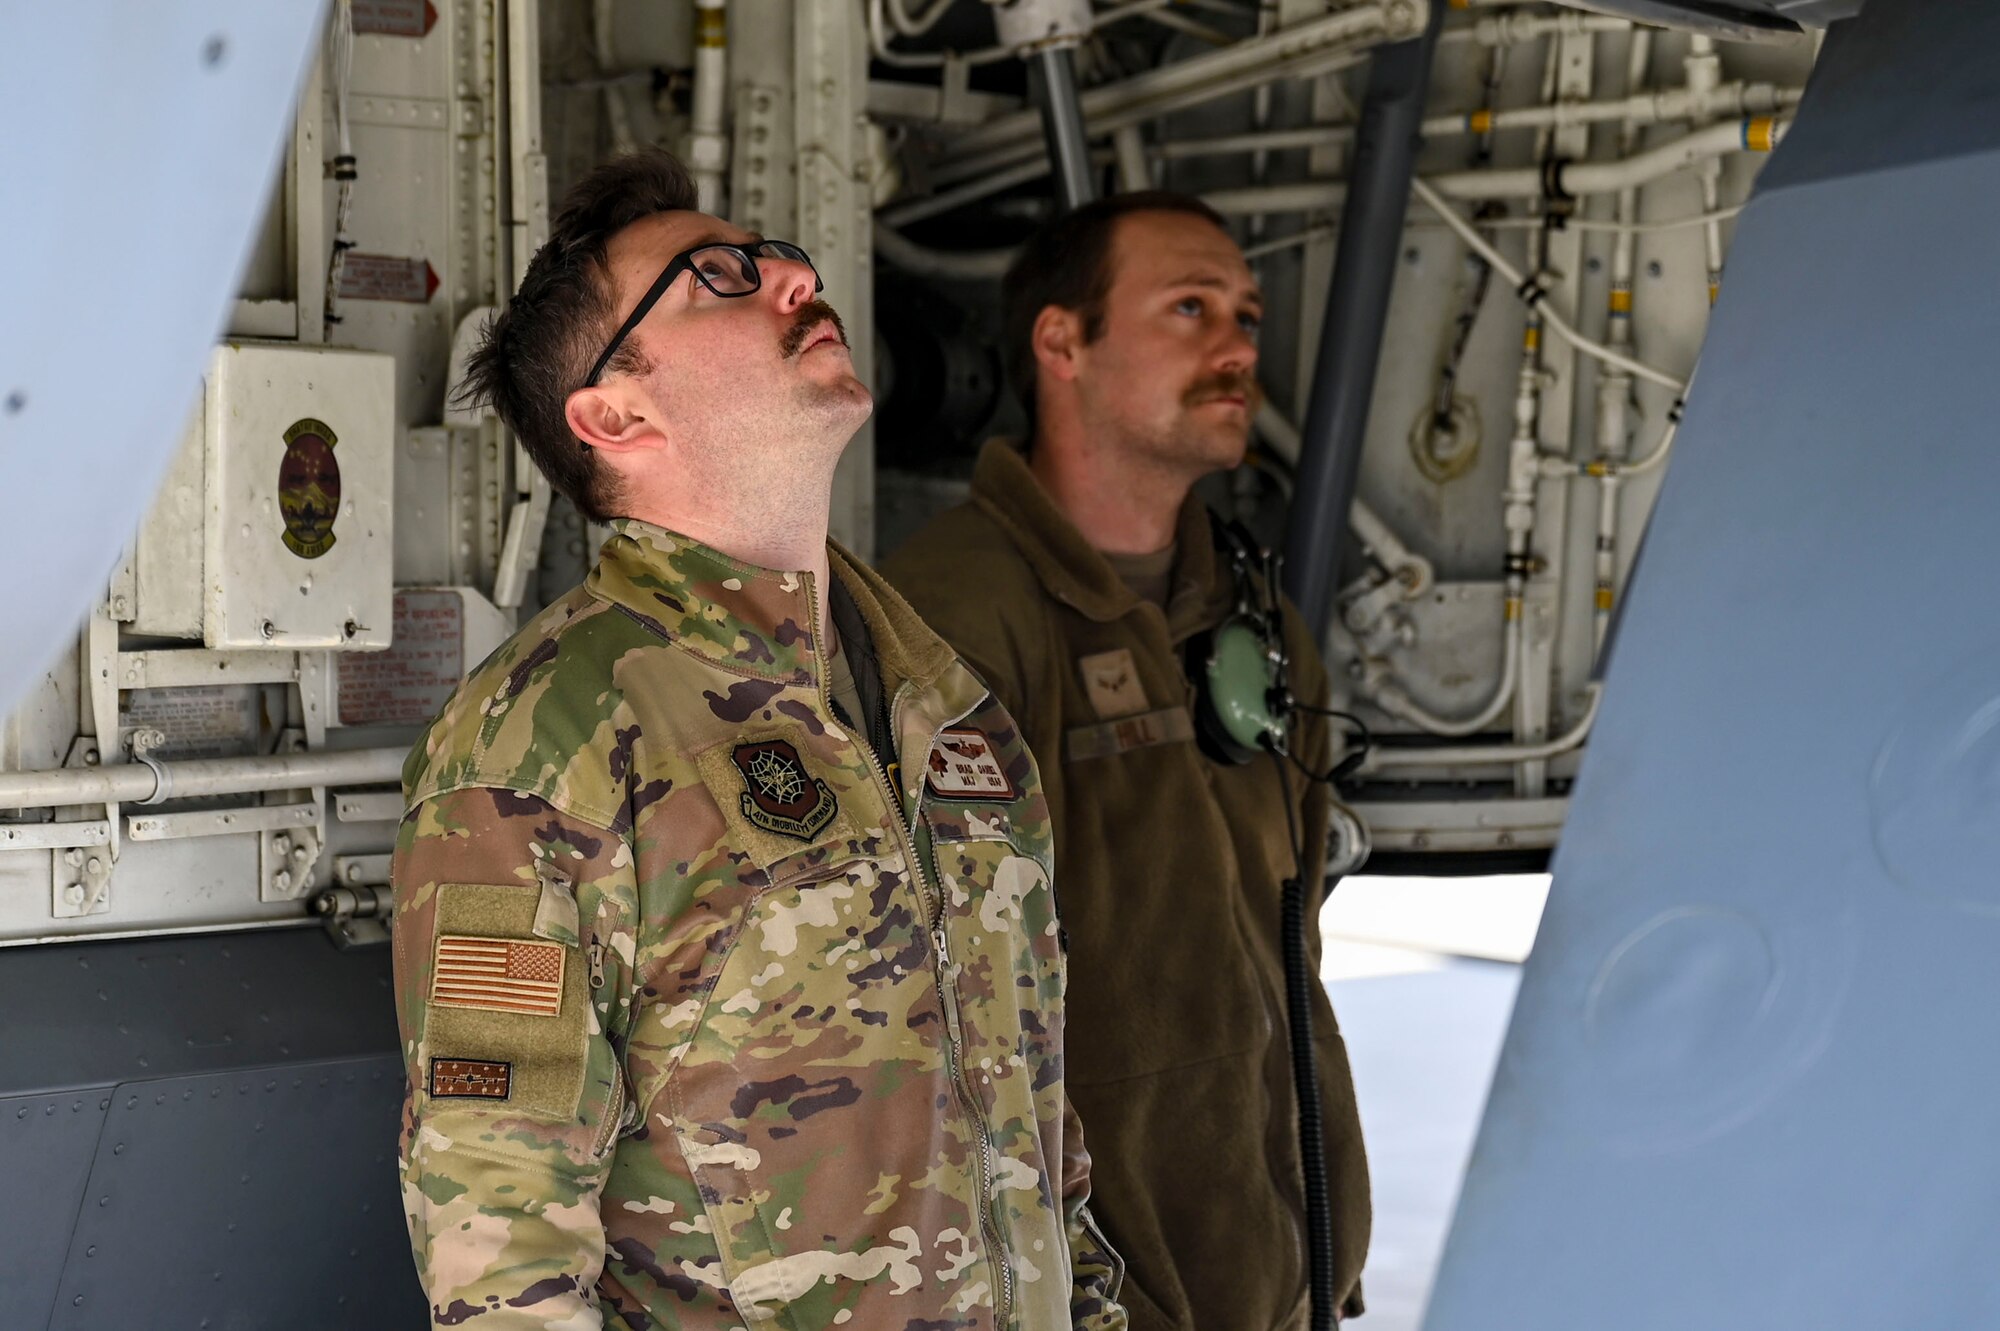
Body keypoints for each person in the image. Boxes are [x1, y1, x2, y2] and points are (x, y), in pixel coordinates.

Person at [391, 147, 1127, 1331]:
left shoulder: (946, 708)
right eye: (716, 278)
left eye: (777, 253)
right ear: (613, 411)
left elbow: (1039, 1122)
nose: (789, 277)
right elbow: (498, 1227)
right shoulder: (543, 741)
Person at [883, 192, 1370, 1330]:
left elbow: (1285, 949)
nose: (1238, 344)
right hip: (1088, 1295)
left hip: (1274, 1273)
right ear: (1062, 343)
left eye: (1243, 313)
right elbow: (909, 1014)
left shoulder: (1252, 626)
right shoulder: (952, 619)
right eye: (1189, 308)